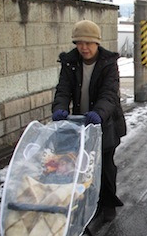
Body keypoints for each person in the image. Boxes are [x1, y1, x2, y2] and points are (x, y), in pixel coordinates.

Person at [51, 19, 127, 222]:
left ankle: (108, 203)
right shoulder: (70, 61)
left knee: (105, 166)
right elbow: (63, 89)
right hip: (79, 124)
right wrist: (59, 108)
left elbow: (109, 94)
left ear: (97, 43)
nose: (83, 47)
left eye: (88, 43)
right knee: (81, 166)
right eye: (79, 42)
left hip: (105, 122)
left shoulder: (108, 63)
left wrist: (99, 114)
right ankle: (86, 200)